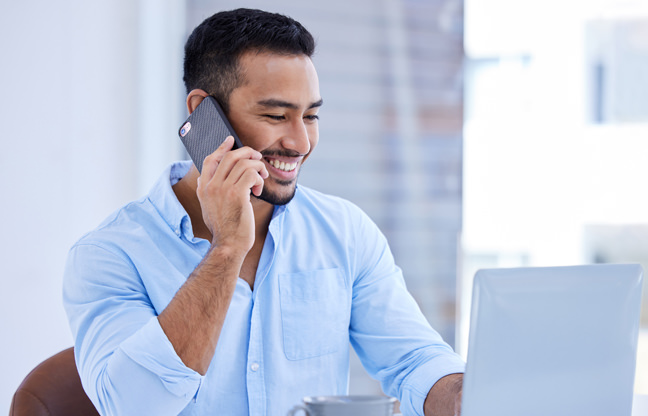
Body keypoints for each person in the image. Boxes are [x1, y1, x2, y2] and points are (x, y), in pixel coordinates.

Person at [63, 8, 465, 416]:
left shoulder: (344, 231)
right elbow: (132, 406)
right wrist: (227, 249)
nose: (300, 142)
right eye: (276, 116)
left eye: (310, 115)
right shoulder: (110, 253)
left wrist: (463, 394)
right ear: (204, 111)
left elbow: (414, 361)